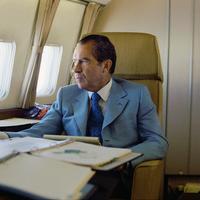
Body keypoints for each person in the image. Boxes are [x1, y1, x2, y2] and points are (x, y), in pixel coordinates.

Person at [0, 34, 168, 197]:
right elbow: (40, 131)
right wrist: (5, 136)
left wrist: (121, 159)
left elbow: (157, 142)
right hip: (70, 166)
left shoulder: (137, 94)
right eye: (74, 61)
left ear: (106, 66)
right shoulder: (66, 94)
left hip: (111, 173)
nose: (75, 69)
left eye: (83, 61)